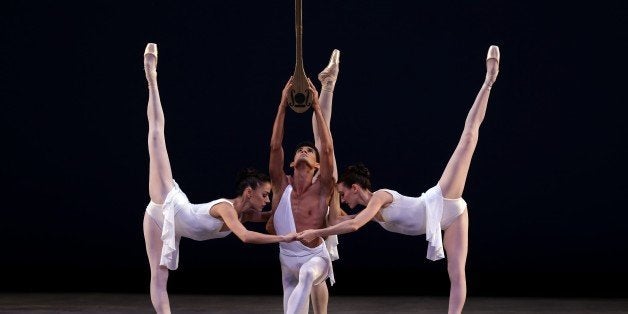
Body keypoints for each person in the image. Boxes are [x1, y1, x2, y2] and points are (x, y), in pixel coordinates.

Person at [297, 45, 501, 314]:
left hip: (441, 200)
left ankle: (489, 80)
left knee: (468, 138)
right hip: (452, 218)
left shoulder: (379, 197)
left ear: (355, 187)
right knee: (456, 272)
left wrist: (318, 232)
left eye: (343, 193)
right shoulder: (371, 211)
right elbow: (342, 219)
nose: (342, 198)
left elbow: (355, 224)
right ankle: (328, 86)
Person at [141, 42, 297, 314]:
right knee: (156, 137)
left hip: (174, 225)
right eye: (264, 194)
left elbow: (278, 214)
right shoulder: (228, 210)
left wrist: (307, 208)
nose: (267, 199)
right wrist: (284, 239)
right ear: (248, 192)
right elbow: (247, 238)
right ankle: (151, 77)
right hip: (166, 201)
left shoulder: (245, 214)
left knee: (160, 276)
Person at [266, 56, 340, 313]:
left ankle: (328, 86)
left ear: (317, 166)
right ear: (291, 163)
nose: (304, 152)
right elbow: (275, 146)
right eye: (300, 150)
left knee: (308, 275)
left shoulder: (324, 186)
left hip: (314, 258)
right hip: (286, 258)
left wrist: (317, 107)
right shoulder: (280, 185)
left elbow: (327, 148)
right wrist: (282, 104)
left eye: (310, 151)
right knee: (291, 300)